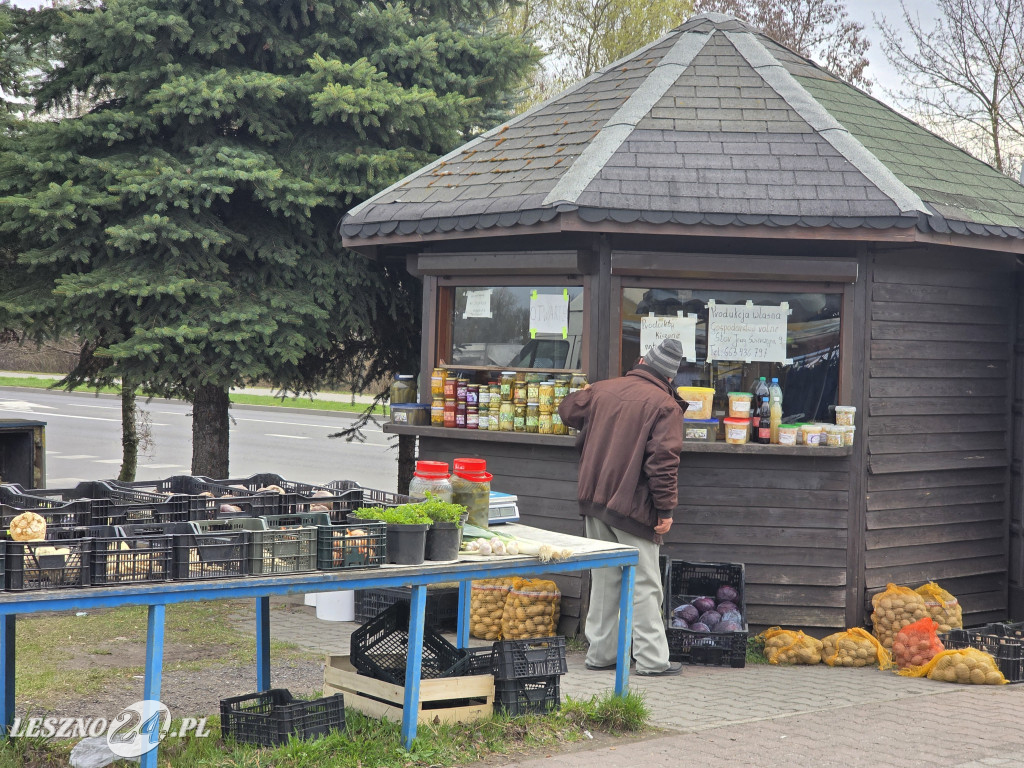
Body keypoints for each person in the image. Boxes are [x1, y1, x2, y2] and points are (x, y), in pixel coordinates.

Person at [558, 338, 687, 676]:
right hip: (632, 507)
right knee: (645, 583)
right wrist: (666, 510)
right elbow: (663, 463)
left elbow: (567, 410)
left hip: (594, 500)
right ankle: (652, 661)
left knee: (604, 579)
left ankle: (601, 654)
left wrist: (588, 392)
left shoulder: (603, 389)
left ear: (643, 360)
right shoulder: (665, 406)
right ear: (671, 377)